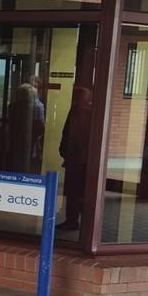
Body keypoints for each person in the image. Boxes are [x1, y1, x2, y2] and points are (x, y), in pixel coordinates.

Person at [58, 86, 93, 231]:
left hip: (79, 160)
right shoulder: (83, 112)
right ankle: (75, 221)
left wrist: (65, 152)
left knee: (75, 193)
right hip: (78, 159)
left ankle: (73, 221)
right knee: (76, 193)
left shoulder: (82, 113)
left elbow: (71, 136)